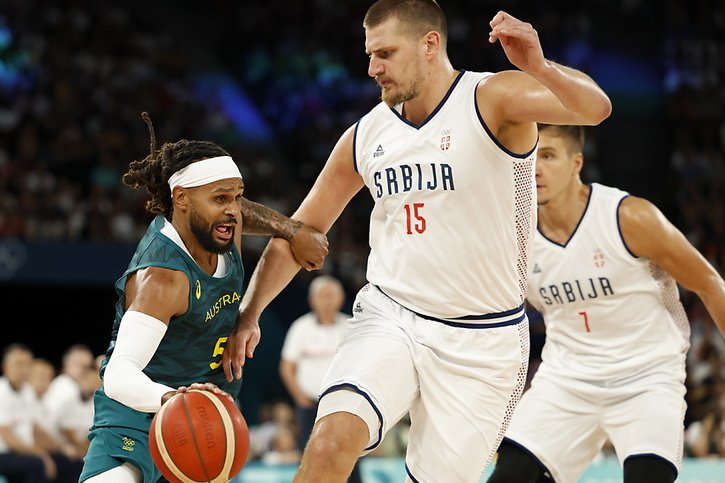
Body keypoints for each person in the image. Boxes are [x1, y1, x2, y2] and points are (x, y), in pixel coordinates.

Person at [223, 1, 612, 482]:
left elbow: (595, 108)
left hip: (483, 339)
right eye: (369, 55)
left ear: (430, 44)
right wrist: (250, 313)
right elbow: (300, 229)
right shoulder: (365, 135)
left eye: (385, 53)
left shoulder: (492, 99)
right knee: (328, 443)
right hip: (392, 316)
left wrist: (538, 65)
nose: (372, 69)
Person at [78, 112, 329, 483]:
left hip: (205, 421)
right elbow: (118, 375)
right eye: (220, 198)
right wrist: (174, 402)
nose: (233, 209)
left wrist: (289, 229)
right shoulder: (163, 278)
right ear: (181, 199)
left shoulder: (219, 226)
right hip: (139, 417)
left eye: (236, 196)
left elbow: (241, 212)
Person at [486, 124, 725, 483]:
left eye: (548, 156)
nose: (535, 167)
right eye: (529, 156)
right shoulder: (513, 236)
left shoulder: (629, 218)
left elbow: (709, 283)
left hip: (646, 378)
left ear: (576, 163)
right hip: (567, 379)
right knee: (511, 475)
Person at [279, 275, 362, 483]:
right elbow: (287, 367)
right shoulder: (301, 328)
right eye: (322, 295)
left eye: (331, 295)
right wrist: (300, 398)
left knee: (350, 458)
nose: (327, 300)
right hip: (310, 406)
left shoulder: (351, 326)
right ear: (312, 300)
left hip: (345, 406)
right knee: (311, 460)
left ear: (341, 299)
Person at [0, 343, 84, 483]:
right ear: (5, 366)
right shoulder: (2, 391)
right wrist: (42, 456)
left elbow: (36, 430)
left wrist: (62, 448)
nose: (23, 370)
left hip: (25, 453)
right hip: (5, 453)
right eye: (18, 364)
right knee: (37, 465)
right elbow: (9, 437)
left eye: (27, 364)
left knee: (72, 462)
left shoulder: (27, 391)